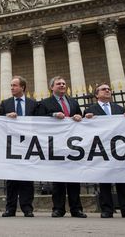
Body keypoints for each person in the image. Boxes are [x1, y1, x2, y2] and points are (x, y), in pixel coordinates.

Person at [83, 83, 125, 219]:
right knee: (104, 180)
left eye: (109, 89)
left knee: (122, 180)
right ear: (96, 94)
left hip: (118, 149)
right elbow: (85, 129)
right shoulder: (90, 109)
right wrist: (86, 119)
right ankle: (106, 209)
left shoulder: (119, 108)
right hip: (101, 149)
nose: (107, 91)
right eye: (103, 89)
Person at [37, 76, 87, 218]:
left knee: (74, 180)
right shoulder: (45, 103)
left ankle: (76, 208)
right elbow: (39, 119)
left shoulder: (73, 102)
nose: (62, 85)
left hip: (72, 146)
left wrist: (79, 117)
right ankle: (58, 208)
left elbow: (80, 119)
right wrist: (53, 115)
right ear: (51, 87)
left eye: (64, 83)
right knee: (58, 180)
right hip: (55, 145)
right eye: (59, 83)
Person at [0, 76, 37, 217]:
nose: (12, 88)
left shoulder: (33, 104)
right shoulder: (6, 103)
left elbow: (40, 123)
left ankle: (27, 208)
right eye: (11, 85)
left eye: (14, 85)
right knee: (11, 179)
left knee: (27, 178)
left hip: (28, 144)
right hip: (11, 144)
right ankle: (10, 208)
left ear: (22, 87)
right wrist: (6, 116)